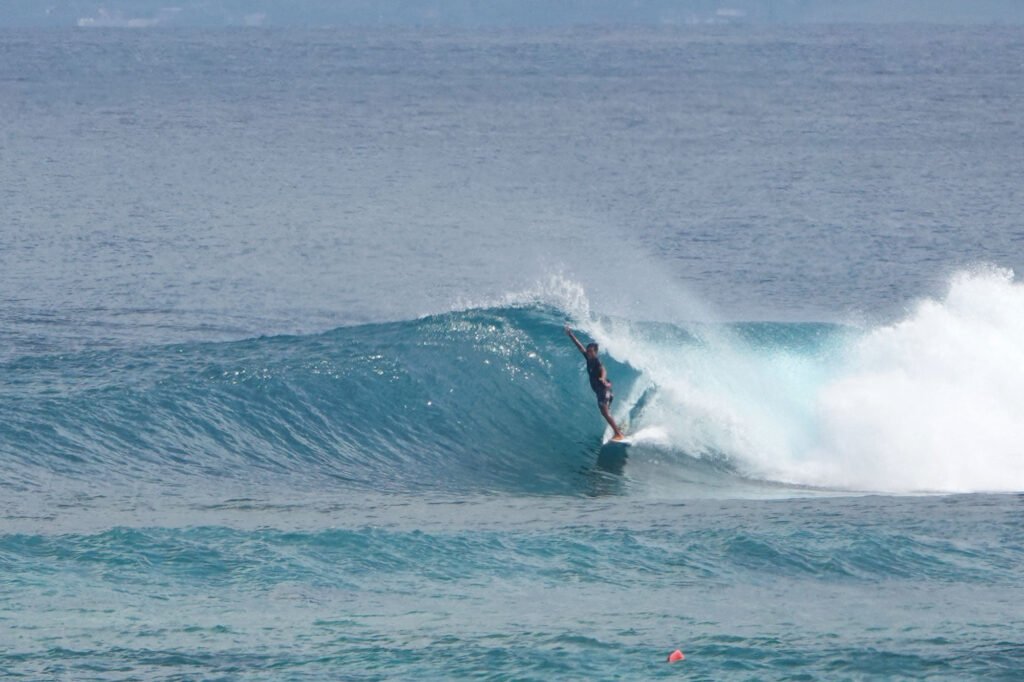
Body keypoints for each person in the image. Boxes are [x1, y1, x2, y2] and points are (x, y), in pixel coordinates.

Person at [565, 325, 625, 441]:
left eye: (591, 351)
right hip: (602, 392)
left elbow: (603, 369)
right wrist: (571, 335)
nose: (588, 352)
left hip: (604, 390)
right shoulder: (588, 359)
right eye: (588, 351)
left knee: (605, 413)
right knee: (606, 413)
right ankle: (618, 429)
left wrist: (603, 378)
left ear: (595, 352)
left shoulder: (597, 361)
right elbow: (579, 346)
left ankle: (619, 433)